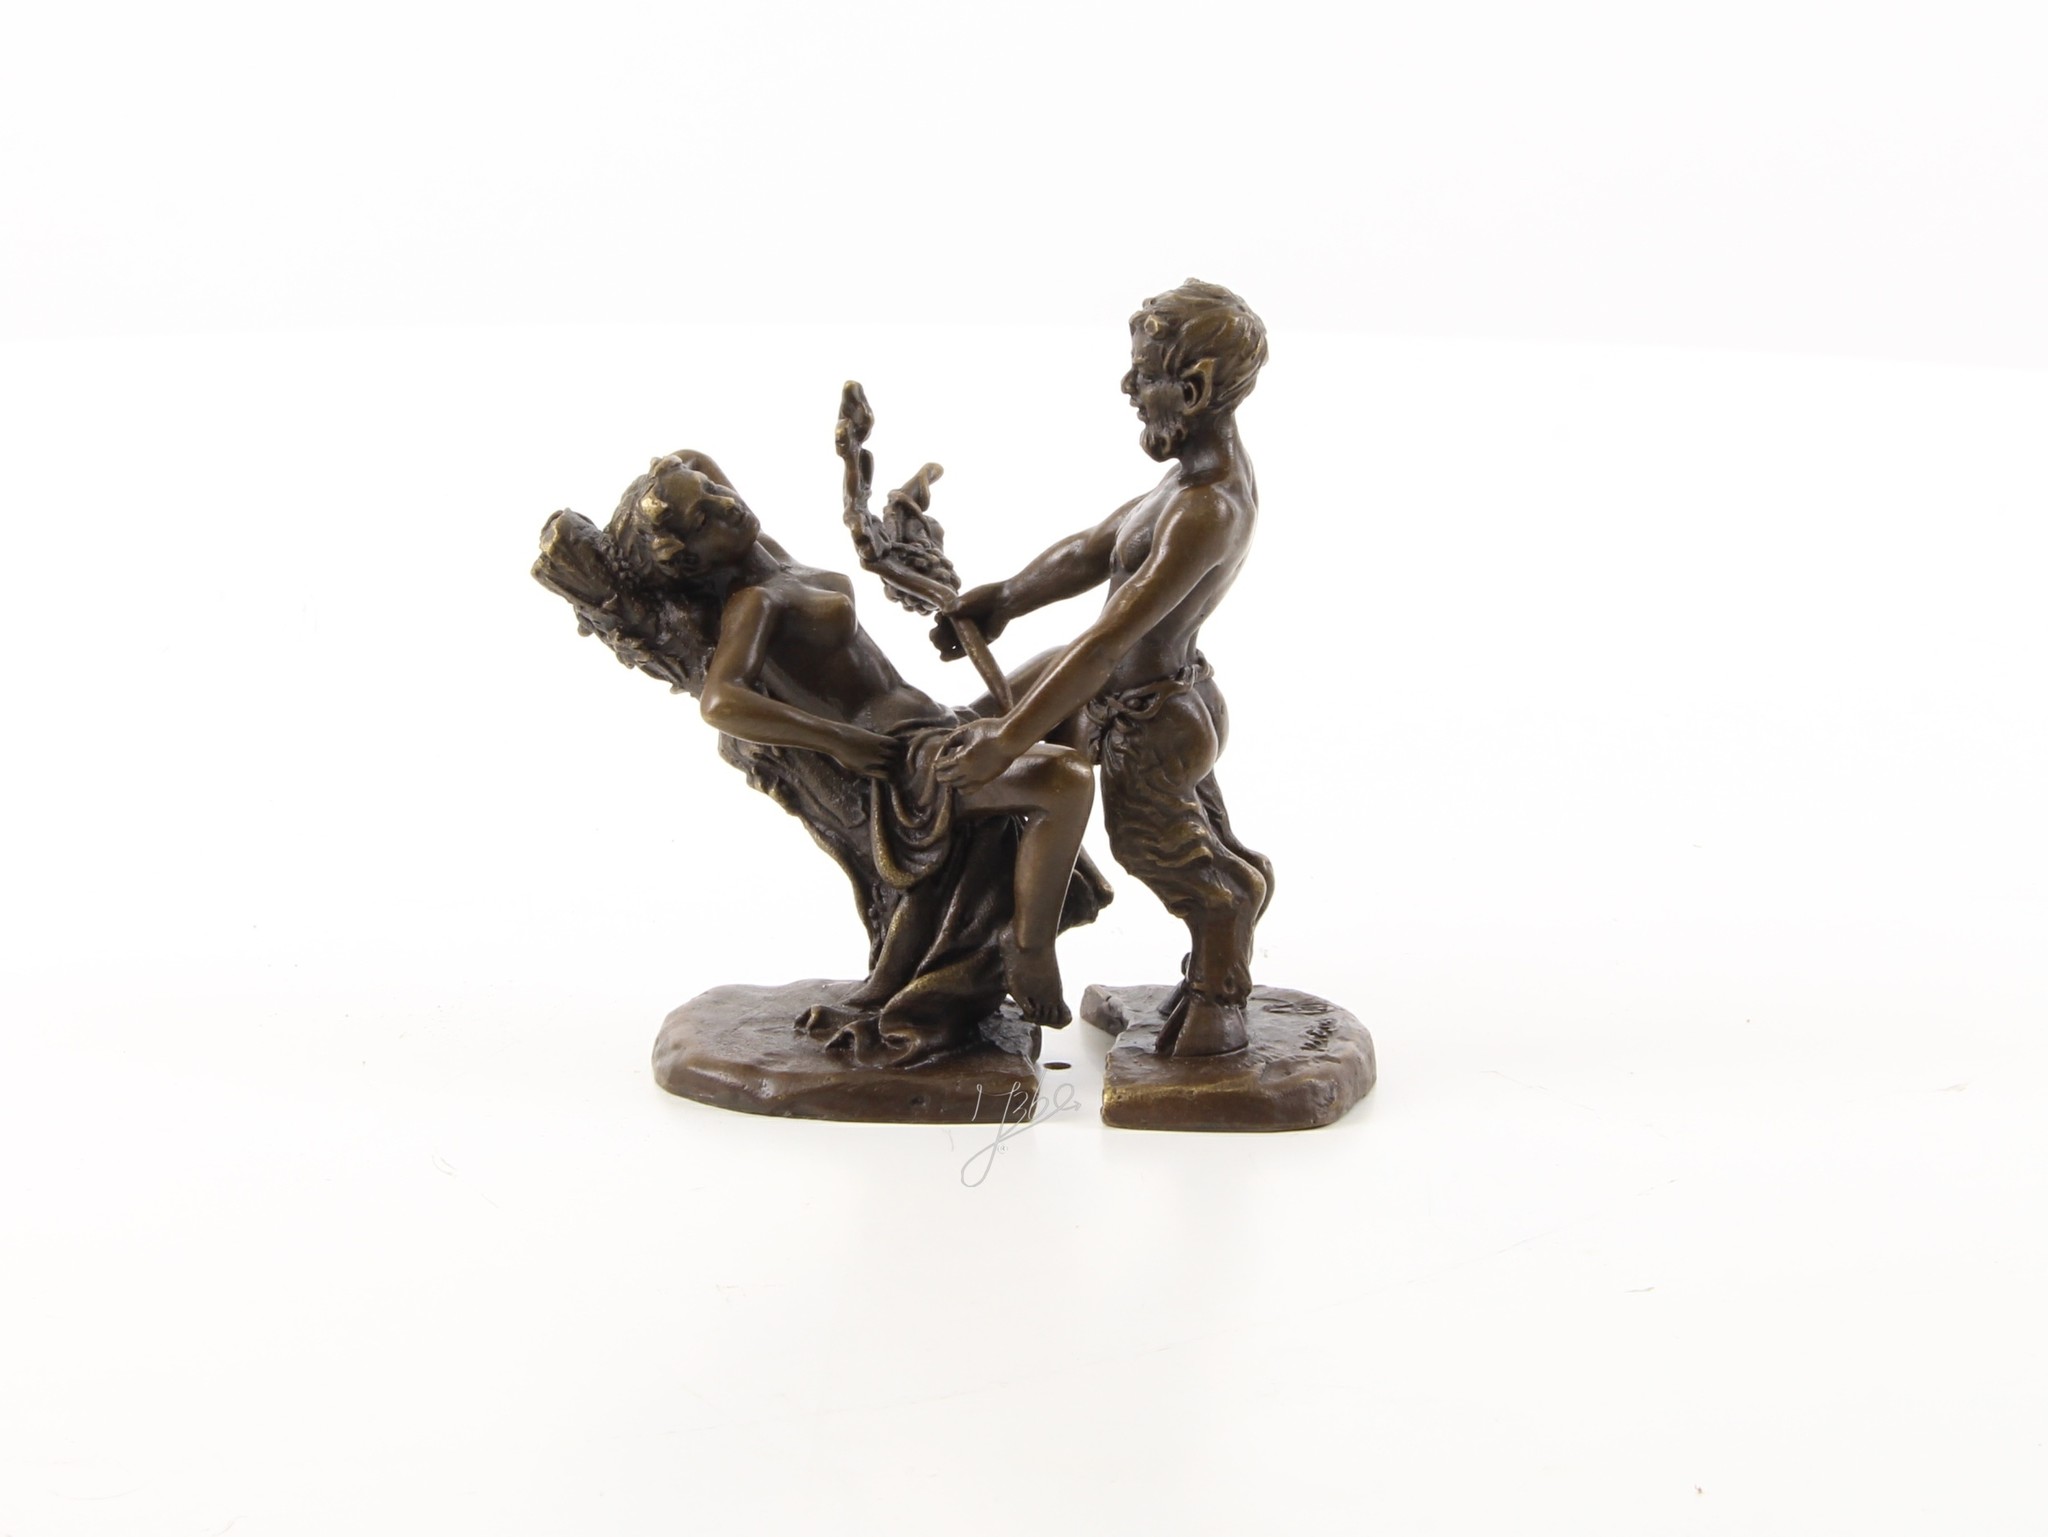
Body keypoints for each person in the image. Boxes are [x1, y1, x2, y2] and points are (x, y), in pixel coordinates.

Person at [620, 451, 1095, 1033]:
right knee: (1065, 779)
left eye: (712, 492)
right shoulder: (753, 602)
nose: (725, 504)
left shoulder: (769, 555)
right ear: (693, 558)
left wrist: (678, 478)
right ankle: (1029, 945)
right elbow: (720, 701)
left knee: (1074, 669)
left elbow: (698, 461)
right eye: (704, 517)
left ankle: (1042, 858)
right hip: (905, 760)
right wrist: (838, 740)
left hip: (940, 720)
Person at [931, 281, 1275, 1057]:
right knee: (1194, 841)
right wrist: (1007, 598)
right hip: (1136, 694)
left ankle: (1219, 991)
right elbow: (1094, 548)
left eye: (1144, 374)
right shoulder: (1185, 479)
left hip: (1149, 718)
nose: (1128, 386)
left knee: (1160, 850)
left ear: (1193, 390)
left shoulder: (1209, 507)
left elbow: (1109, 642)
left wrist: (1009, 742)